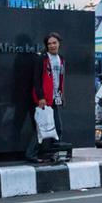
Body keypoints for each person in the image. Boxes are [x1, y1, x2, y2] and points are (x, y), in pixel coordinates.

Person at [26, 32, 65, 162]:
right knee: (41, 127)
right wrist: (40, 97)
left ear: (59, 43)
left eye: (54, 43)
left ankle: (54, 153)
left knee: (58, 128)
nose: (52, 45)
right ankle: (31, 154)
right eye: (49, 44)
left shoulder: (61, 59)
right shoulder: (41, 59)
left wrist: (61, 95)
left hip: (55, 98)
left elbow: (60, 79)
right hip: (43, 99)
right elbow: (36, 80)